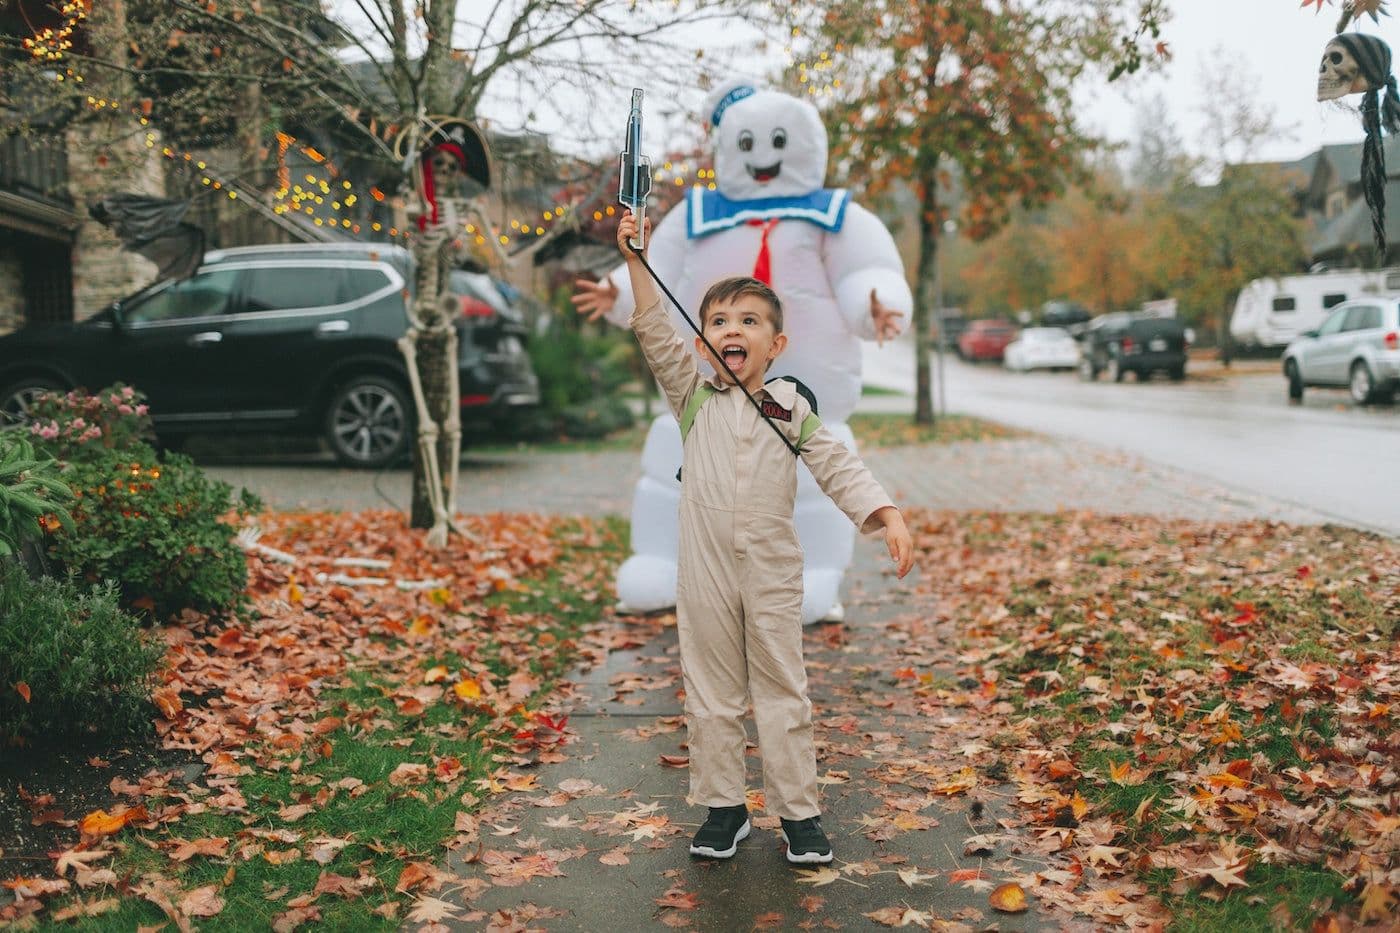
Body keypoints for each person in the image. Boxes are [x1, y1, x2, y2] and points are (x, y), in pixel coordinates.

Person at [614, 210, 914, 864]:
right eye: (719, 320)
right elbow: (654, 329)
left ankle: (798, 813)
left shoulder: (789, 406)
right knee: (713, 693)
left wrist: (883, 512)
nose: (732, 329)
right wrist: (637, 259)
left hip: (773, 573)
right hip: (707, 574)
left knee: (783, 692)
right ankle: (725, 809)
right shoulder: (693, 397)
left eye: (749, 321)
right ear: (703, 342)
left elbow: (836, 463)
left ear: (775, 345)